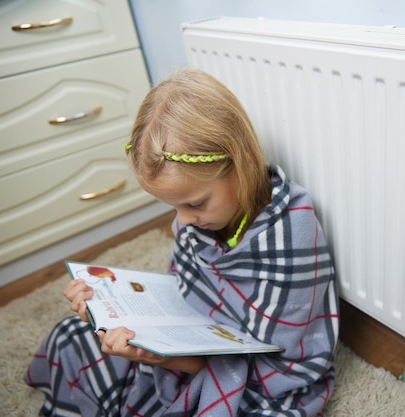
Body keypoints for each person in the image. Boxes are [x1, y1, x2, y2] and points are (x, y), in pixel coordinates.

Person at [24, 69, 340, 416]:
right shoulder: (200, 218)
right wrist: (105, 310)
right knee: (73, 337)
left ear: (243, 164)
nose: (183, 219)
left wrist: (164, 358)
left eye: (195, 203)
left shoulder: (290, 234)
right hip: (195, 344)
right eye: (173, 206)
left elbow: (275, 367)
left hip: (253, 378)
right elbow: (182, 293)